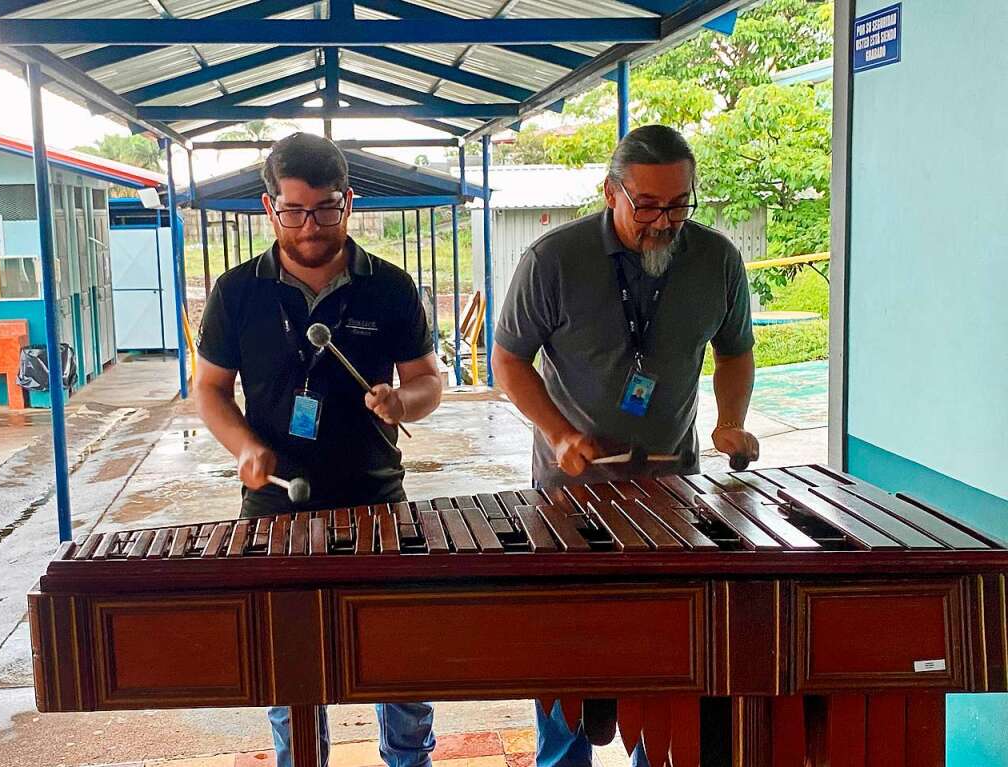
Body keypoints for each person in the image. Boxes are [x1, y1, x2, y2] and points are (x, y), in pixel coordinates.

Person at [492, 124, 759, 767]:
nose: (665, 221)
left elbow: (736, 350)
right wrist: (558, 433)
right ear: (610, 191)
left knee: (667, 653)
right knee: (569, 656)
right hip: (570, 495)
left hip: (674, 494)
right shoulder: (552, 260)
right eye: (648, 205)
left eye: (680, 204)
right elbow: (508, 360)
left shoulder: (717, 260)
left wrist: (730, 420)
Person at [194, 132, 443, 767]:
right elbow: (212, 391)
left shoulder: (389, 286)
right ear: (269, 206)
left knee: (399, 658)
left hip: (374, 495)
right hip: (276, 505)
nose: (311, 225)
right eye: (295, 209)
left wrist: (402, 403)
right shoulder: (236, 292)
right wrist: (244, 446)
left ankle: (410, 761)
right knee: (290, 666)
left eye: (326, 208)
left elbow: (428, 380)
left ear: (349, 203)